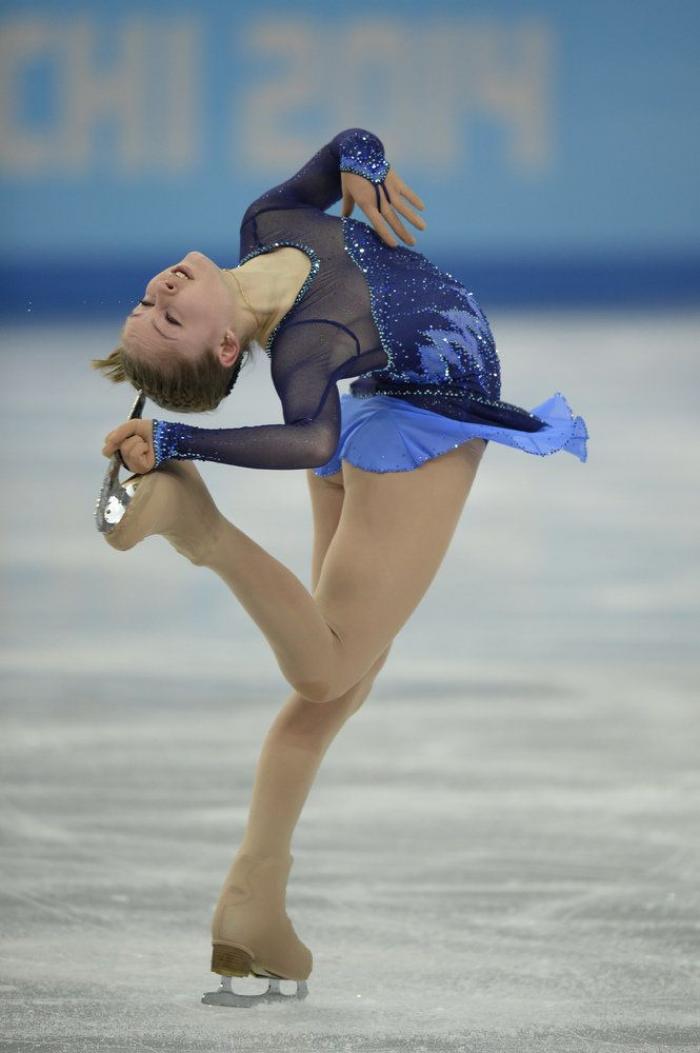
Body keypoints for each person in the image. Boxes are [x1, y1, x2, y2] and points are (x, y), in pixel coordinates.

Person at [94, 128, 589, 1005]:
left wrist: (360, 165)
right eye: (169, 316)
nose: (164, 287)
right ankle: (198, 525)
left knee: (340, 682)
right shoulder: (303, 345)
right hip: (421, 417)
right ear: (220, 353)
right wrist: (176, 440)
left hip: (379, 401)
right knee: (327, 665)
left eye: (151, 297)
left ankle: (256, 903)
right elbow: (308, 435)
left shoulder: (265, 222)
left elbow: (342, 147)